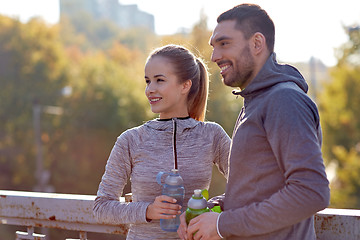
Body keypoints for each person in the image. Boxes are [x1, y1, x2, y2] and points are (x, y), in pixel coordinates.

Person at [177, 4, 330, 240]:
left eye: (224, 44)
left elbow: (310, 191)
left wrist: (223, 224)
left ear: (257, 43)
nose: (215, 57)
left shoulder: (284, 100)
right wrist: (215, 210)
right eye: (214, 47)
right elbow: (260, 191)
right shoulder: (256, 101)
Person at [93, 44, 230, 239]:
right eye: (148, 81)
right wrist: (148, 210)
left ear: (185, 85)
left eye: (159, 80)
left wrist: (210, 206)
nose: (150, 89)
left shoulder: (212, 135)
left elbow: (248, 186)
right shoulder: (131, 140)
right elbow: (101, 207)